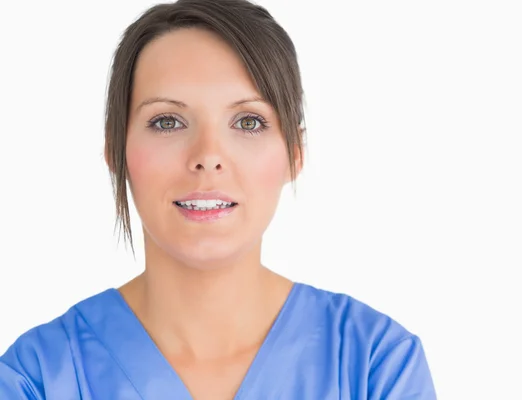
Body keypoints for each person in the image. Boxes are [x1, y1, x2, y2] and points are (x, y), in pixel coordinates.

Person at [0, 0, 436, 398]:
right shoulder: (37, 377)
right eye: (167, 121)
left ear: (294, 155)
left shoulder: (376, 365)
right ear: (117, 151)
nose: (208, 156)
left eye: (248, 122)